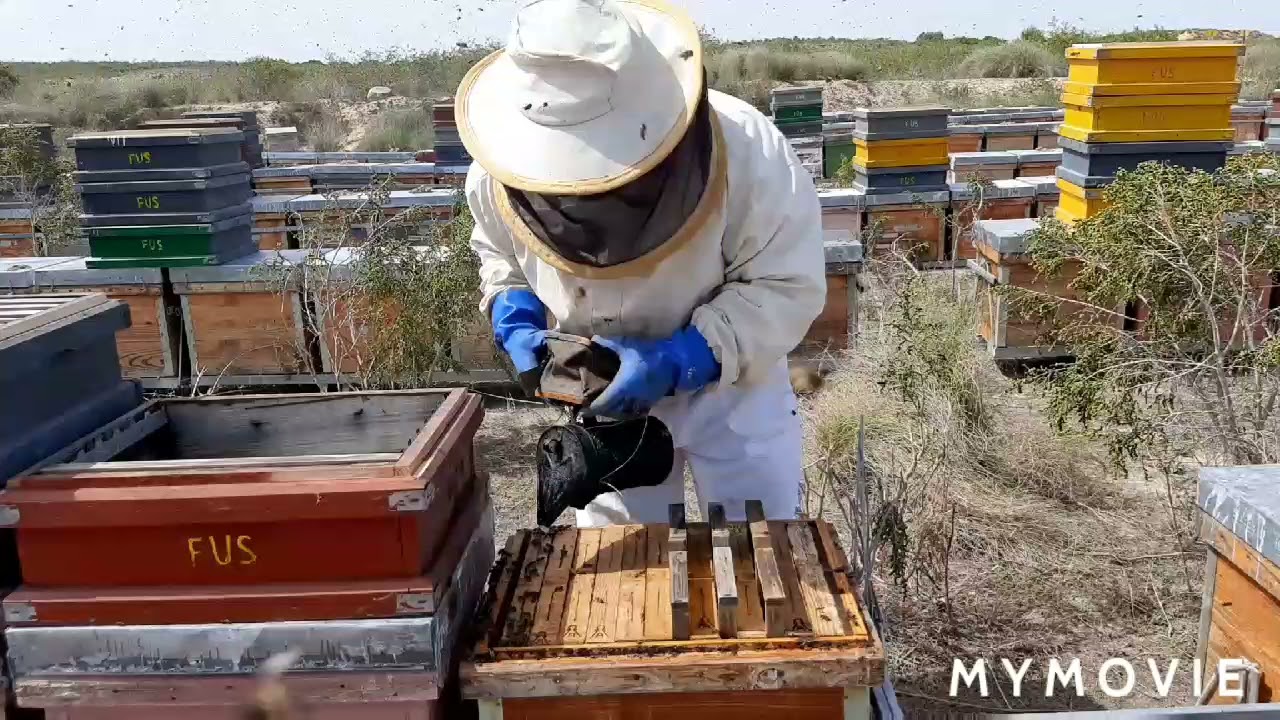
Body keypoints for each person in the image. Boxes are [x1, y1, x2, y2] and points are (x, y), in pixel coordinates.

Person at [457, 0, 826, 525]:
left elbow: (786, 283)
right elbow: (500, 252)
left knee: (761, 553)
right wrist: (512, 311)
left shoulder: (746, 148)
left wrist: (684, 356)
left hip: (734, 392)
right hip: (604, 400)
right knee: (628, 574)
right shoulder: (498, 168)